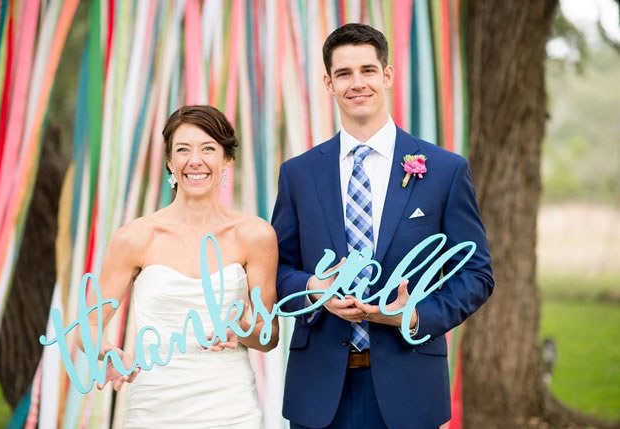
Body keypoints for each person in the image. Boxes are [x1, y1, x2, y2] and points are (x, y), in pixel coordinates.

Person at [271, 23, 494, 429]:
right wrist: (312, 289)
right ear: (328, 83)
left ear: (387, 75)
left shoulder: (444, 171)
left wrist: (412, 315)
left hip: (409, 387)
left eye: (368, 70)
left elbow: (477, 275)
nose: (357, 83)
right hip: (318, 392)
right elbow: (277, 269)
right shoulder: (298, 174)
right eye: (344, 74)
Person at [78, 105, 279, 428]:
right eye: (183, 150)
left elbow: (268, 336)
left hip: (230, 406)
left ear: (227, 159)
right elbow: (86, 327)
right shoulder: (135, 237)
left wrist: (240, 329)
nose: (195, 160)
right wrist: (109, 353)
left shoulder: (255, 235)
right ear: (170, 161)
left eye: (208, 149)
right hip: (153, 405)